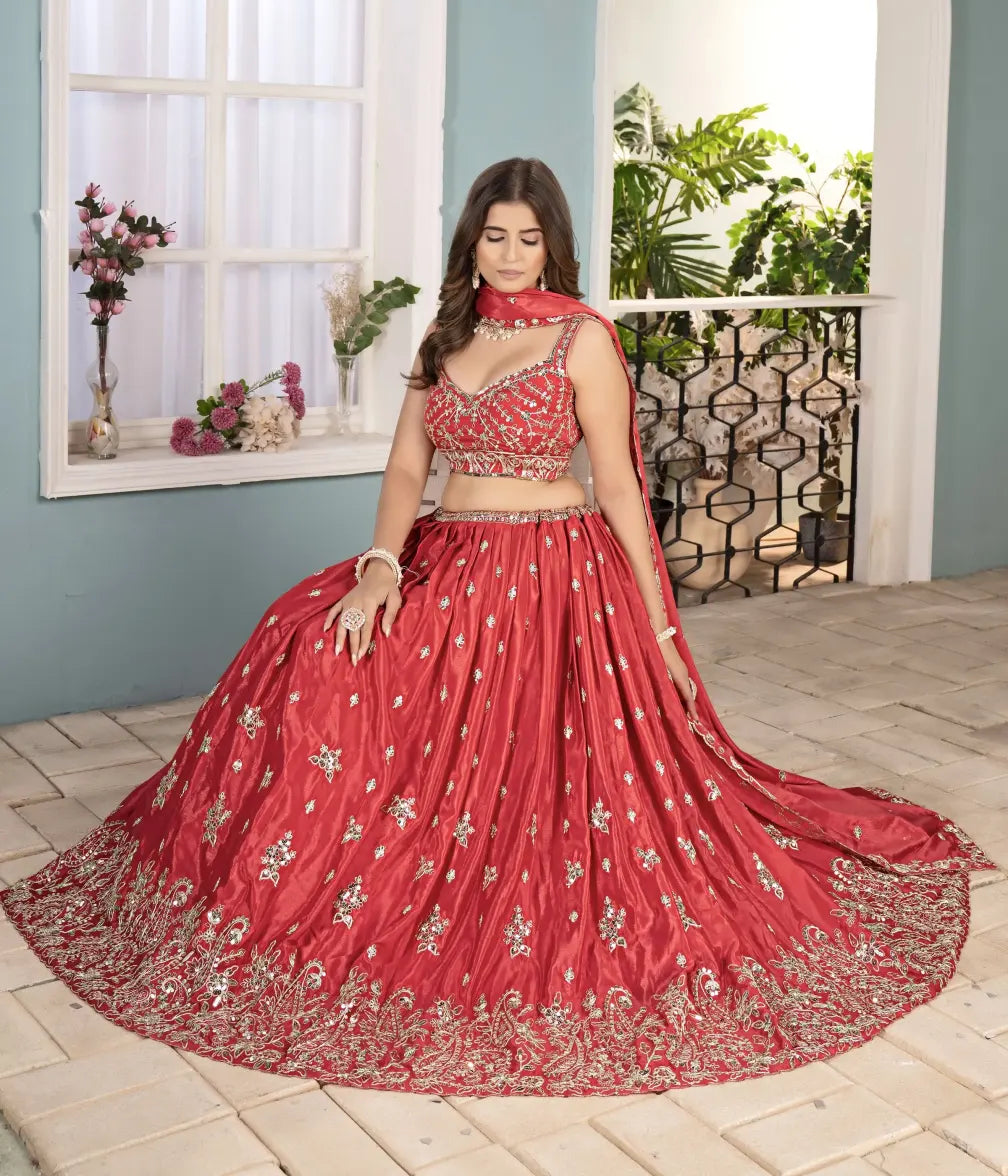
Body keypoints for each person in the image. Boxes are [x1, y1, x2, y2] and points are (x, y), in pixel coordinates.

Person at [2, 158, 996, 1097]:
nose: (509, 254)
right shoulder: (446, 339)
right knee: (305, 642)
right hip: (448, 559)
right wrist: (382, 565)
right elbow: (405, 471)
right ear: (470, 244)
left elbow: (616, 485)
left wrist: (658, 636)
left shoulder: (581, 338)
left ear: (552, 247)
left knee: (538, 779)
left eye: (526, 238)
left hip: (557, 574)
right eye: (493, 236)